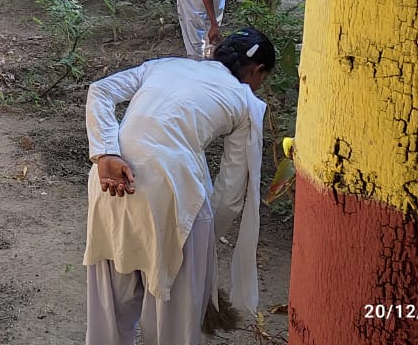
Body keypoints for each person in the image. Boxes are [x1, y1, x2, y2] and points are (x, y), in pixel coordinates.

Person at [84, 28, 275, 345]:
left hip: (111, 179)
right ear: (257, 71)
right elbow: (229, 195)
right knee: (172, 323)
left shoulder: (165, 65)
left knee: (111, 309)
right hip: (175, 194)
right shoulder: (244, 101)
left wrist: (105, 152)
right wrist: (203, 244)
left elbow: (100, 90)